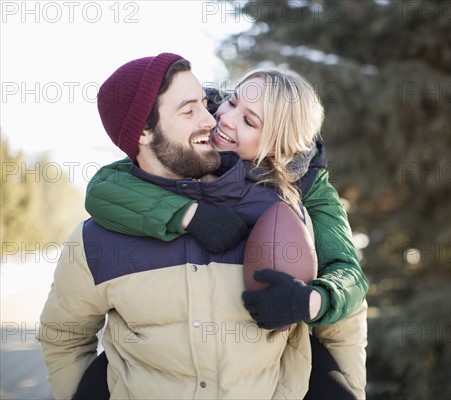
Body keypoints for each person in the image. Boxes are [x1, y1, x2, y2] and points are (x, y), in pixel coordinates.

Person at [38, 53, 314, 399]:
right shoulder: (95, 239)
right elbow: (63, 338)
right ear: (143, 131)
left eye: (204, 103)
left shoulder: (278, 211)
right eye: (189, 111)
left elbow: (312, 333)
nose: (212, 119)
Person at [83, 67, 369, 398]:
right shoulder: (198, 131)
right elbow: (106, 186)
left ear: (277, 146)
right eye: (232, 102)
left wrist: (309, 301)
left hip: (272, 344)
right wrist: (189, 214)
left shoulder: (308, 185)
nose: (226, 119)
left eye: (250, 121)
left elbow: (349, 273)